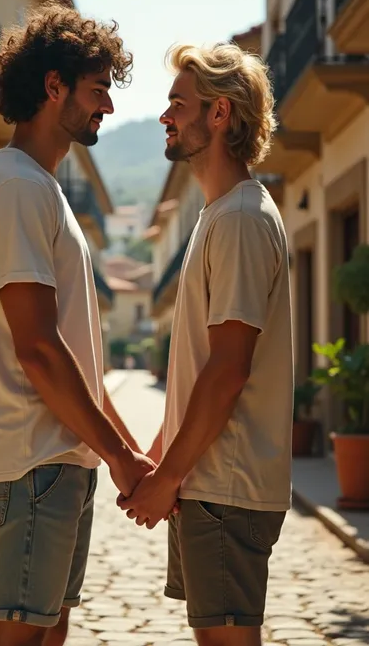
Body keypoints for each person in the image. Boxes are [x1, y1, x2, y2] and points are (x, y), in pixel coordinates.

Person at [0, 0, 155, 646]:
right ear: (53, 86)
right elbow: (38, 348)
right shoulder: (18, 186)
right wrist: (122, 458)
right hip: (31, 460)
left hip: (58, 459)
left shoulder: (39, 187)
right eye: (98, 89)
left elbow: (76, 356)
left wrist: (127, 453)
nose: (108, 106)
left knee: (47, 635)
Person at [119, 42, 293, 646]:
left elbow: (228, 369)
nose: (166, 116)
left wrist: (168, 476)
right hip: (212, 483)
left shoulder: (242, 219)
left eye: (177, 104)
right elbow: (201, 368)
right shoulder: (221, 216)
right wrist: (159, 455)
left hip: (227, 486)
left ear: (219, 114)